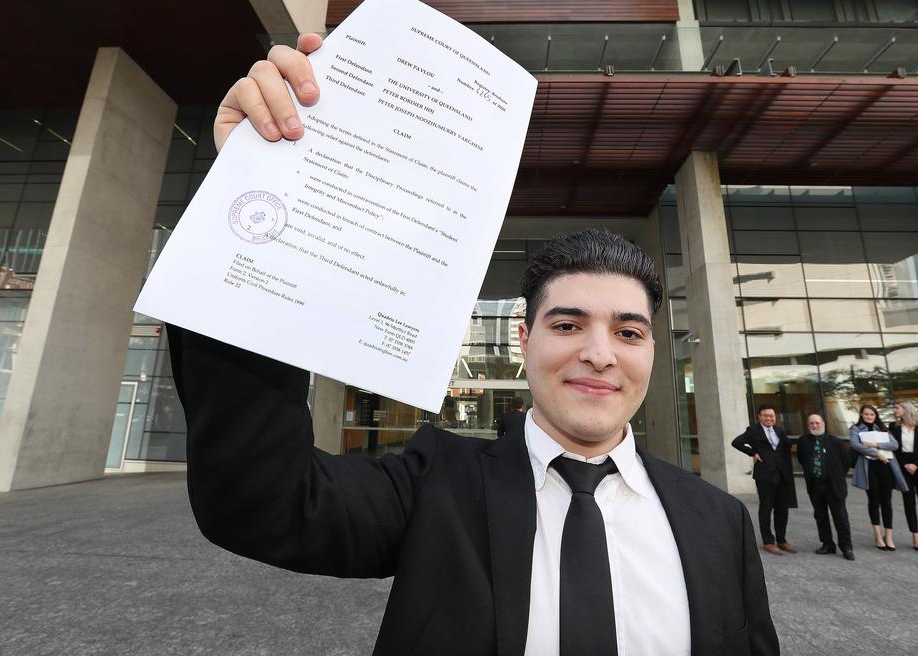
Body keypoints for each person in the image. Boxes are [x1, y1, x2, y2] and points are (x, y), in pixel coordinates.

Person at [168, 36, 779, 655]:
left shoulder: (720, 523)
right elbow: (260, 503)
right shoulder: (437, 488)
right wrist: (251, 185)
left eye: (628, 332)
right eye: (568, 325)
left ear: (651, 350)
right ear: (524, 339)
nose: (600, 353)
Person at [731, 405, 798, 555]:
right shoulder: (753, 431)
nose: (769, 418)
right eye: (766, 416)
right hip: (765, 475)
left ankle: (782, 540)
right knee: (766, 508)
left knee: (782, 509)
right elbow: (736, 442)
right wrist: (753, 453)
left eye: (772, 416)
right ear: (760, 417)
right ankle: (768, 541)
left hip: (781, 475)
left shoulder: (779, 430)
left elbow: (786, 445)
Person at [795, 413, 854, 560]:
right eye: (812, 424)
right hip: (815, 485)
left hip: (834, 486)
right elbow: (802, 459)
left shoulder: (836, 442)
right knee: (820, 516)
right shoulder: (803, 441)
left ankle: (846, 547)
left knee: (840, 517)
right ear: (808, 426)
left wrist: (834, 474)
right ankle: (827, 544)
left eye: (817, 423)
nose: (815, 426)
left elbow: (846, 463)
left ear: (823, 424)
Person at [850, 404, 908, 551]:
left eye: (872, 414)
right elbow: (855, 444)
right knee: (874, 500)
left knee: (887, 501)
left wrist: (875, 444)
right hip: (869, 468)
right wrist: (878, 453)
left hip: (886, 467)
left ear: (875, 416)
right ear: (861, 415)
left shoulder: (882, 428)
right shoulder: (856, 429)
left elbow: (894, 445)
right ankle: (877, 535)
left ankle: (888, 536)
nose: (869, 417)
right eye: (866, 414)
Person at [889, 401, 918, 551]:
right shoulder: (894, 428)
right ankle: (916, 539)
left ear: (906, 410)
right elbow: (895, 449)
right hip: (904, 467)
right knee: (909, 503)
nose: (895, 410)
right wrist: (905, 465)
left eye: (897, 408)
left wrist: (916, 465)